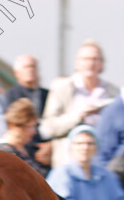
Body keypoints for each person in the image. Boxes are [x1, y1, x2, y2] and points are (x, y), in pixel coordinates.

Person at [40, 40, 119, 168]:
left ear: (102, 64)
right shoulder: (63, 90)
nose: (90, 63)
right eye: (85, 59)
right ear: (77, 63)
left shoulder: (113, 93)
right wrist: (79, 115)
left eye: (95, 59)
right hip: (69, 164)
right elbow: (48, 128)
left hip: (104, 166)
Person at [0, 98, 47, 176]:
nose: (34, 132)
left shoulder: (28, 148)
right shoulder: (5, 154)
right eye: (31, 127)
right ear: (15, 125)